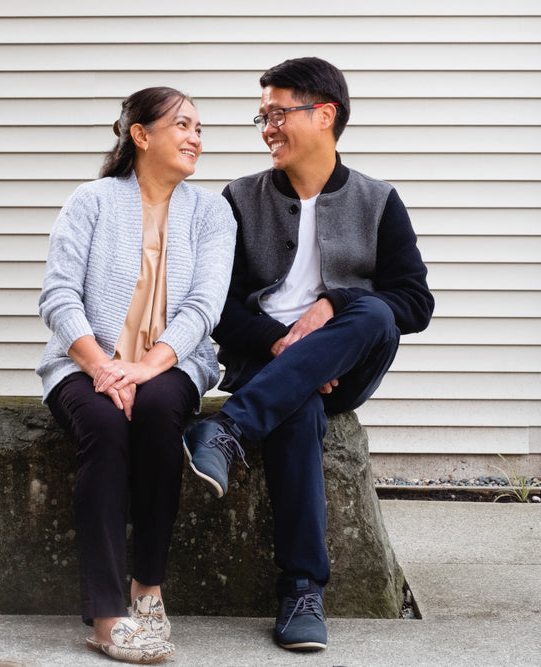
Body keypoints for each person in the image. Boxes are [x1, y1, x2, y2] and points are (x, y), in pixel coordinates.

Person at [183, 58, 434, 652]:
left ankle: (229, 429)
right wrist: (283, 343)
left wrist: (330, 309)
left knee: (373, 311)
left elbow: (415, 302)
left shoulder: (378, 200)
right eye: (261, 115)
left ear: (325, 115)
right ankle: (302, 590)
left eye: (278, 112)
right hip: (266, 365)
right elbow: (218, 305)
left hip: (345, 370)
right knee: (294, 408)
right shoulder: (239, 200)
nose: (267, 126)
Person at [37, 87, 236, 664]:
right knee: (103, 427)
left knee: (156, 415)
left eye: (200, 127)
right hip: (84, 362)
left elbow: (204, 307)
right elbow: (57, 296)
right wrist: (103, 367)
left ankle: (147, 588)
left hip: (172, 362)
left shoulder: (211, 212)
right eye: (183, 124)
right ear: (141, 135)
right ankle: (106, 613)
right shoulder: (92, 201)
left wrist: (145, 367)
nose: (196, 136)